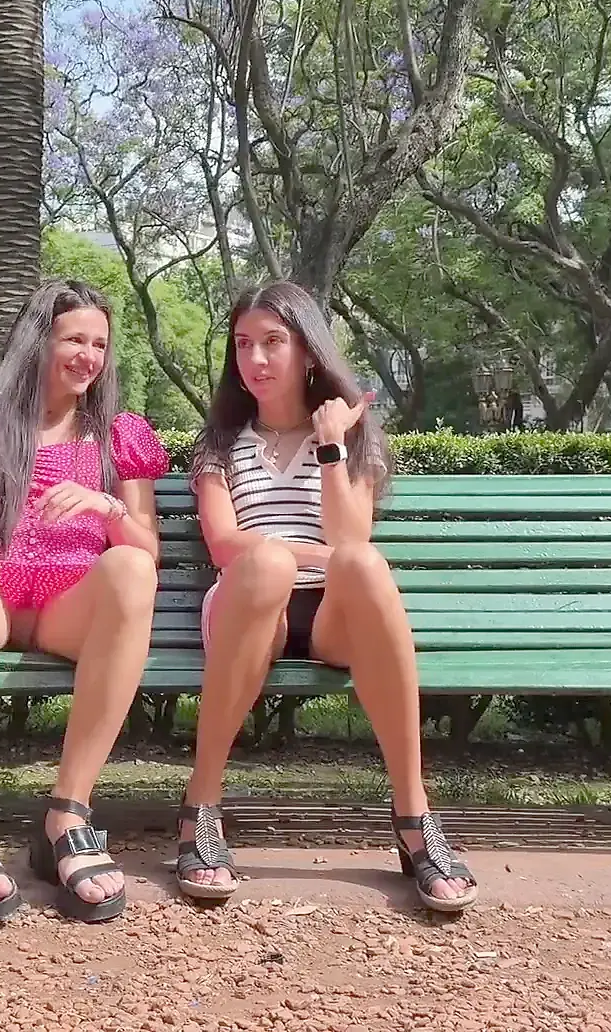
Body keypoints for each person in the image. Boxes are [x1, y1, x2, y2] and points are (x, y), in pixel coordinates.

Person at [172, 280, 477, 913]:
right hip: (250, 607)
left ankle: (414, 812)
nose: (255, 359)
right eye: (242, 344)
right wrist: (299, 555)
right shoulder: (219, 443)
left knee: (363, 562)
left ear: (308, 350)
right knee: (265, 564)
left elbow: (349, 541)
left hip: (333, 616)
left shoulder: (350, 438)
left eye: (273, 342)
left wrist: (332, 445)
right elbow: (226, 545)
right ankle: (201, 804)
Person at [0, 279, 169, 927]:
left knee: (132, 567)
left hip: (67, 609)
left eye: (99, 343)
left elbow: (149, 550)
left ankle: (67, 815)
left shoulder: (119, 434)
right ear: (36, 342)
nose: (89, 356)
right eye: (74, 339)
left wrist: (108, 507)